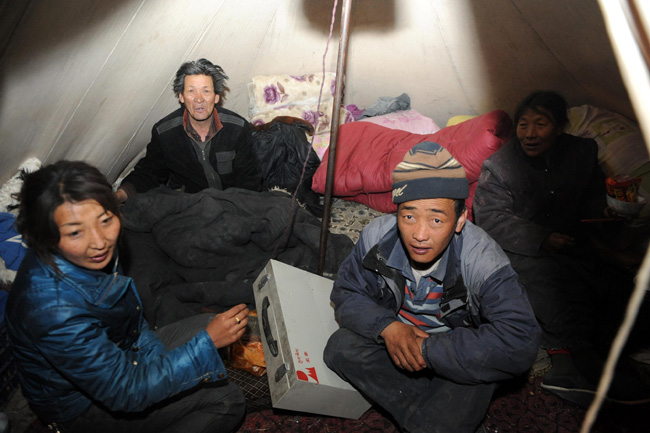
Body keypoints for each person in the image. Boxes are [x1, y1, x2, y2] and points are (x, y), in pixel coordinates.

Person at [5, 160, 249, 433]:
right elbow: (126, 392)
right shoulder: (52, 311)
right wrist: (203, 346)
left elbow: (132, 323)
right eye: (75, 232)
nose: (100, 241)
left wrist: (159, 361)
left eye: (105, 220)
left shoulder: (90, 254)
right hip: (82, 409)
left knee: (210, 324)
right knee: (226, 400)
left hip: (121, 354)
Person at [323, 142, 541, 433]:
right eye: (408, 216)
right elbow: (346, 292)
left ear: (461, 219)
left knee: (484, 366)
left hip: (454, 353)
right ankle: (431, 416)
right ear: (396, 212)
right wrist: (389, 328)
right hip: (398, 341)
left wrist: (428, 350)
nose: (420, 235)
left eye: (437, 220)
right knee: (339, 348)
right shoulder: (377, 236)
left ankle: (429, 417)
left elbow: (520, 340)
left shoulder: (483, 261)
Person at [473, 90, 650, 406]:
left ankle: (607, 350)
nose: (529, 133)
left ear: (560, 127)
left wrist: (606, 210)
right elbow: (491, 218)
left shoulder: (581, 153)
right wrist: (542, 237)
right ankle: (576, 361)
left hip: (572, 240)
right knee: (548, 280)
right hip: (521, 247)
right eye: (524, 124)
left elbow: (590, 197)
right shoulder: (499, 167)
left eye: (540, 124)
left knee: (613, 285)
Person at [116, 58, 262, 203]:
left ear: (216, 97)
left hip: (232, 205)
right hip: (189, 208)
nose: (199, 99)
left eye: (206, 91)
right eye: (191, 91)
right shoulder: (165, 133)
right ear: (181, 96)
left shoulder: (237, 128)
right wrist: (119, 196)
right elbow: (149, 173)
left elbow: (250, 180)